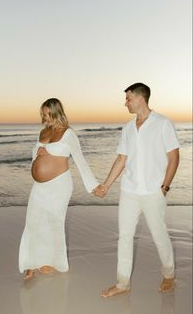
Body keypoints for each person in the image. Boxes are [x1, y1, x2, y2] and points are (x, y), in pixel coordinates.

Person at [94, 83, 180, 297]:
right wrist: (106, 185)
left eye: (128, 98)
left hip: (154, 191)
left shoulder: (163, 123)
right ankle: (122, 283)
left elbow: (174, 157)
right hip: (129, 190)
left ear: (140, 98)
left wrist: (164, 186)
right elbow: (122, 159)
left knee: (159, 234)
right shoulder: (128, 128)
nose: (125, 103)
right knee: (124, 236)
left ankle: (169, 275)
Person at [19, 98, 99, 280]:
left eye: (48, 114)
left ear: (57, 112)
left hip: (59, 185)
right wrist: (38, 155)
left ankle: (52, 261)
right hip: (39, 185)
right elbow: (35, 156)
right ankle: (30, 263)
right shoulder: (43, 132)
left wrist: (93, 186)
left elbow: (79, 159)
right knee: (33, 221)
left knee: (54, 222)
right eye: (43, 114)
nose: (45, 117)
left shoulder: (68, 133)